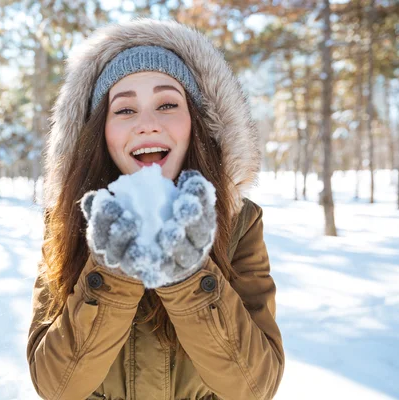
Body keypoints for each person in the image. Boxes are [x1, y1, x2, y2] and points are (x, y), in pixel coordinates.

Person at [27, 18, 285, 400]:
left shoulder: (238, 221)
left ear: (196, 123)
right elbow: (55, 386)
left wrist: (188, 275)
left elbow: (255, 387)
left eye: (167, 104)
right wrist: (112, 271)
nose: (147, 124)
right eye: (125, 110)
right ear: (100, 131)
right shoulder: (68, 223)